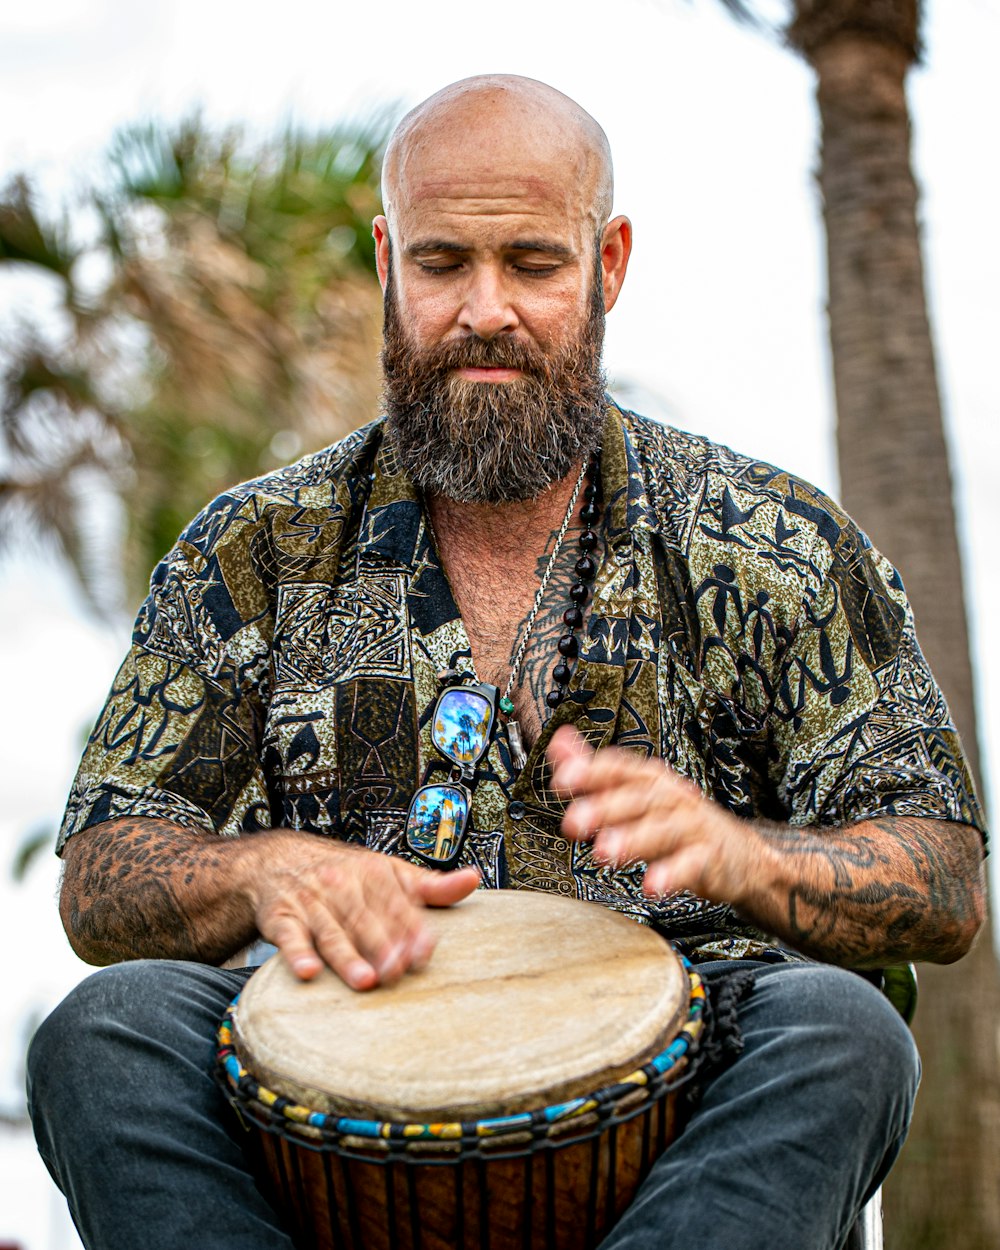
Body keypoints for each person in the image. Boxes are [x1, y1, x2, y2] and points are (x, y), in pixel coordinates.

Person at [28, 75, 986, 1250]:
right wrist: (258, 870)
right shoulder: (253, 549)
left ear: (609, 263)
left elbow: (942, 880)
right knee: (105, 1028)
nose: (487, 310)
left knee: (840, 1028)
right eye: (442, 264)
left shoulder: (773, 544)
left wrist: (744, 854)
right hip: (332, 1071)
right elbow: (100, 872)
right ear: (387, 260)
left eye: (533, 262)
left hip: (691, 1076)